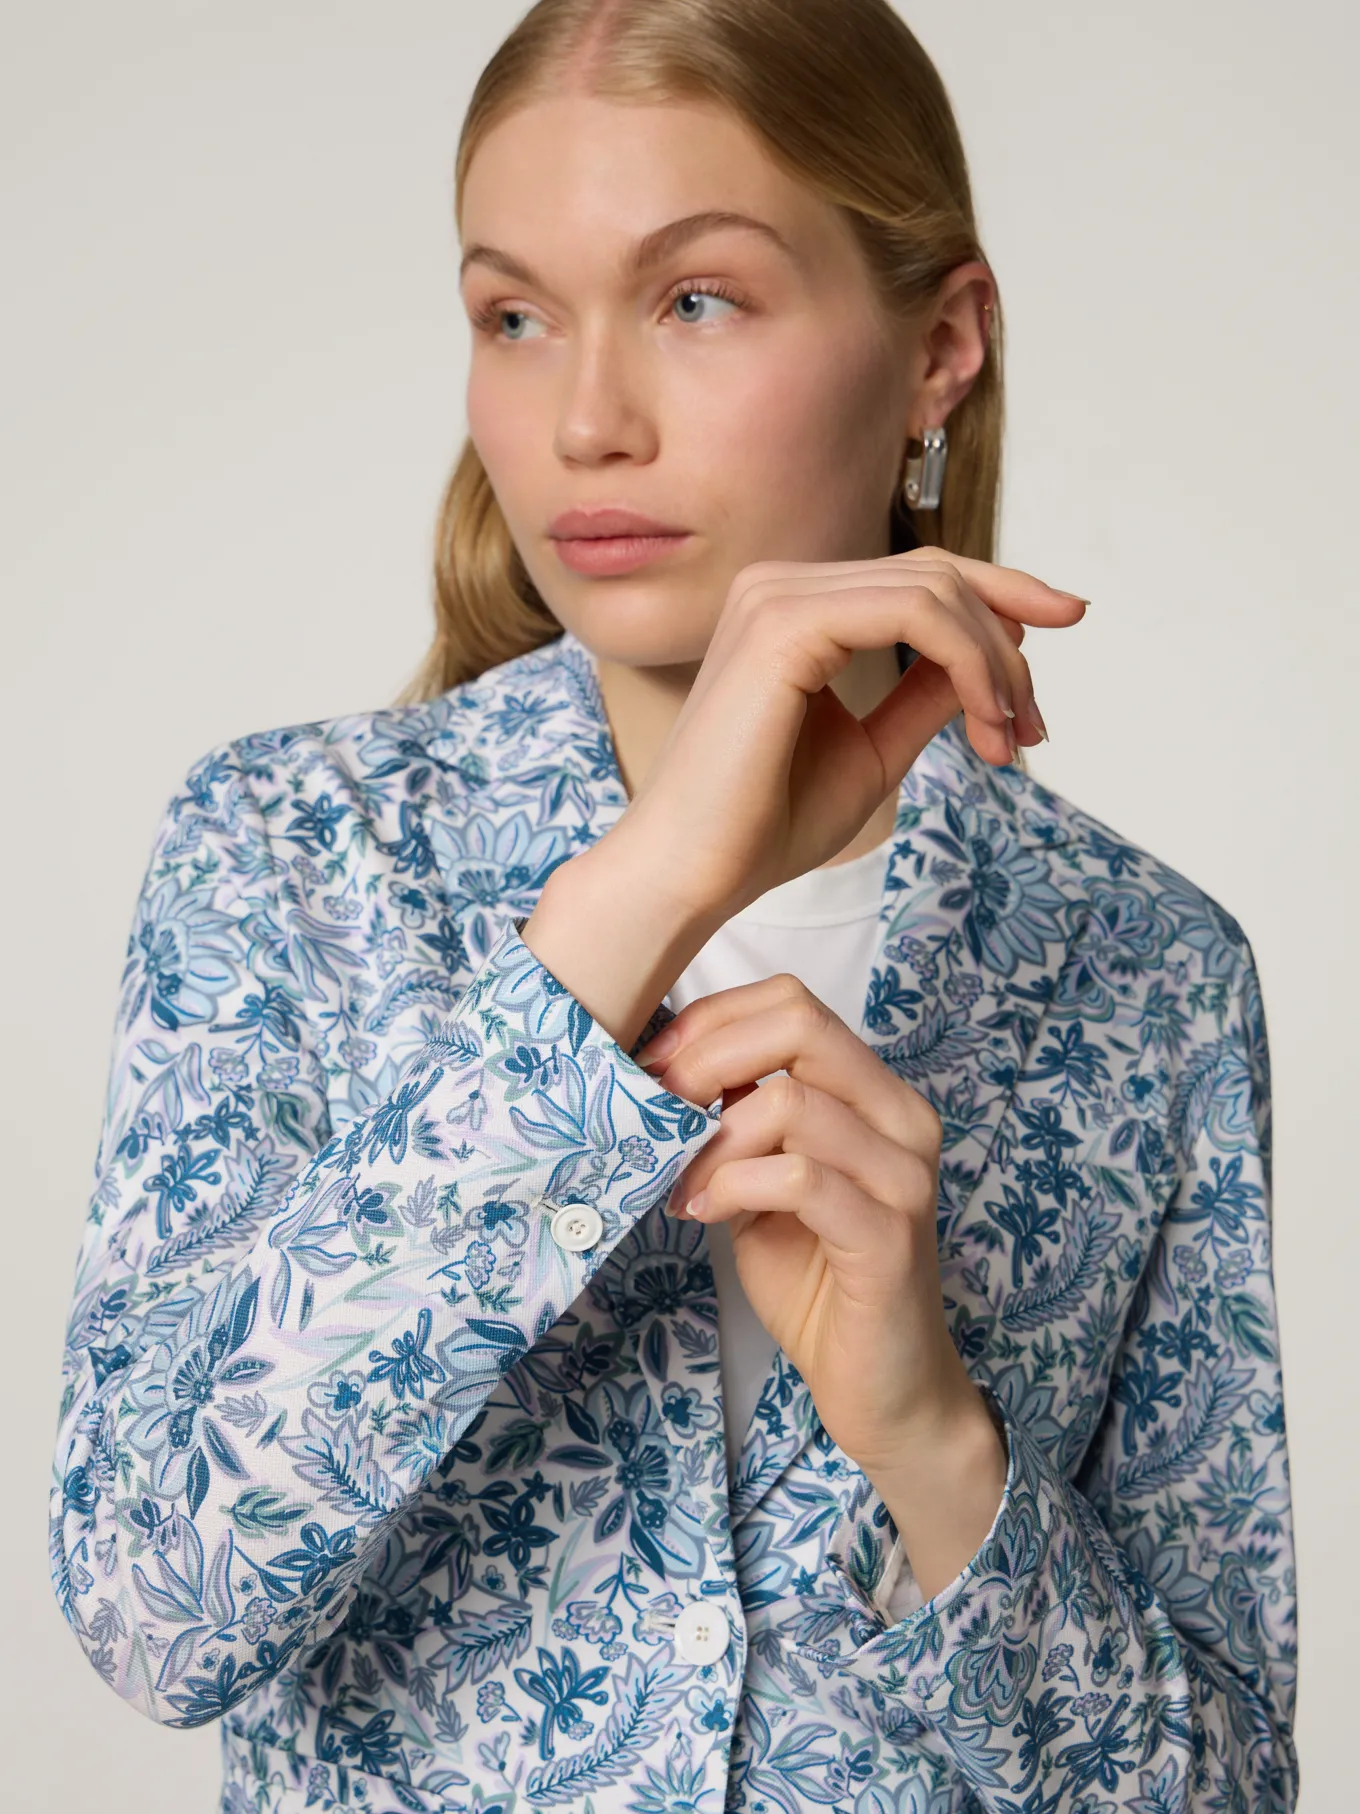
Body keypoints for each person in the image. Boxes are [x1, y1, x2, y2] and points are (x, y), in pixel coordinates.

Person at [49, 1, 1298, 1808]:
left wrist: (936, 1446)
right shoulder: (290, 859)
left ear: (940, 346)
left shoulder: (1144, 971)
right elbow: (152, 1604)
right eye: (514, 317)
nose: (585, 421)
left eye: (697, 299)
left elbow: (1223, 1789)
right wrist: (640, 899)